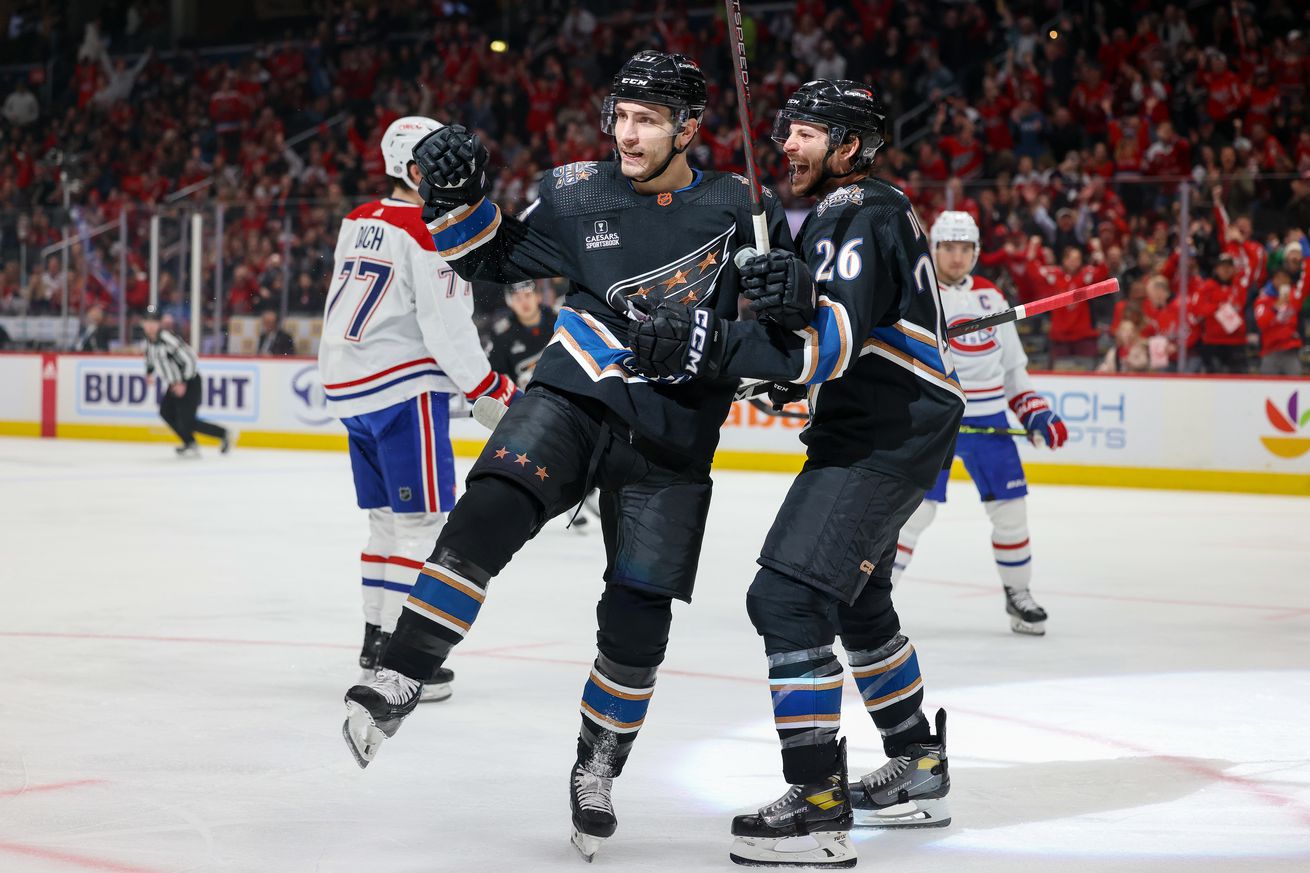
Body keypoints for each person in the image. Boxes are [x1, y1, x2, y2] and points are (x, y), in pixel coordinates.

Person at [341, 51, 792, 862]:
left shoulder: (741, 209)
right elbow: (491, 258)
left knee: (635, 621)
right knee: (488, 508)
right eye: (621, 114)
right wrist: (455, 205)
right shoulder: (576, 188)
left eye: (648, 119)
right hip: (574, 391)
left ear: (689, 127)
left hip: (673, 434)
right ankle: (403, 670)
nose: (627, 132)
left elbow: (778, 347)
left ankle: (596, 768)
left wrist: (780, 303)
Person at [628, 80, 964, 868]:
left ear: (848, 146)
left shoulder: (855, 211)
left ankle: (817, 803)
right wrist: (782, 347)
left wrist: (712, 340)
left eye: (807, 134)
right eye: (787, 131)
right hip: (893, 420)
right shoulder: (868, 210)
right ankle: (917, 762)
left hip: (882, 431)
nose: (787, 145)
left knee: (785, 595)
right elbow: (830, 346)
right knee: (859, 597)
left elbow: (832, 348)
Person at [318, 116, 519, 703]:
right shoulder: (428, 231)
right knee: (423, 525)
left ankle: (374, 643)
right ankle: (400, 664)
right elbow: (445, 327)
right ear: (414, 171)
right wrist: (487, 389)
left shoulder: (359, 219)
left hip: (352, 385)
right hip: (403, 390)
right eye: (440, 164)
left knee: (385, 523)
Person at [891, 211, 1067, 638]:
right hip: (937, 420)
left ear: (976, 251)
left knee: (1011, 513)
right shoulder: (916, 293)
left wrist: (1036, 413)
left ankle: (1018, 595)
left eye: (964, 248)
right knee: (914, 514)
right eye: (948, 248)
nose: (956, 257)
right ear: (933, 249)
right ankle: (873, 598)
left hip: (989, 421)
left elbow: (1013, 370)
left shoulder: (992, 298)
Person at [142, 305, 230, 458]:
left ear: (159, 323)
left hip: (190, 382)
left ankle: (223, 433)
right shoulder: (150, 341)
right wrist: (149, 373)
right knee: (166, 412)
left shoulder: (168, 339)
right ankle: (190, 443)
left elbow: (190, 359)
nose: (150, 325)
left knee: (187, 421)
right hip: (174, 384)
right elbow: (150, 358)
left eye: (153, 322)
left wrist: (183, 381)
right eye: (147, 322)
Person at [486, 280, 552, 388]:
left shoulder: (560, 322)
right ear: (509, 302)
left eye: (528, 295)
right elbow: (497, 376)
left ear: (538, 296)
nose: (524, 303)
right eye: (517, 298)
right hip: (527, 399)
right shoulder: (501, 336)